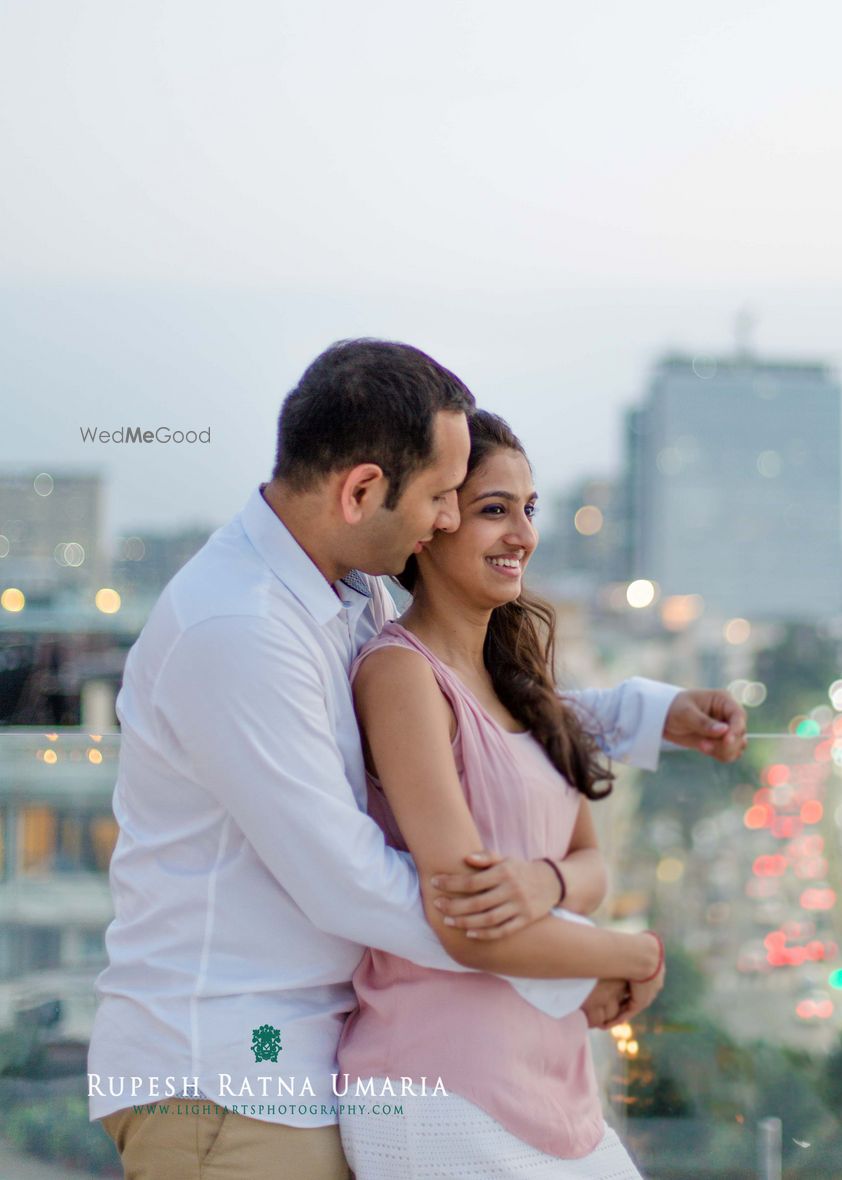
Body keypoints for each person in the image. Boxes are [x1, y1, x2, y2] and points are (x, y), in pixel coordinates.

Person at [88, 339, 746, 1180]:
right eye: (443, 496)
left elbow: (472, 721)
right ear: (362, 489)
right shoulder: (241, 631)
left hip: (302, 1061)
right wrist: (575, 959)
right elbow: (352, 881)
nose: (446, 518)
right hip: (226, 1075)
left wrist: (643, 715)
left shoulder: (341, 592)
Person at [338, 410, 665, 1177]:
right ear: (433, 521)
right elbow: (467, 923)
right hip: (442, 1089)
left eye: (529, 508)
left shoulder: (523, 680)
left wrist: (544, 882)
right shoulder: (401, 675)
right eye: (494, 510)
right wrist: (636, 954)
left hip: (555, 1088)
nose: (522, 532)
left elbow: (590, 862)